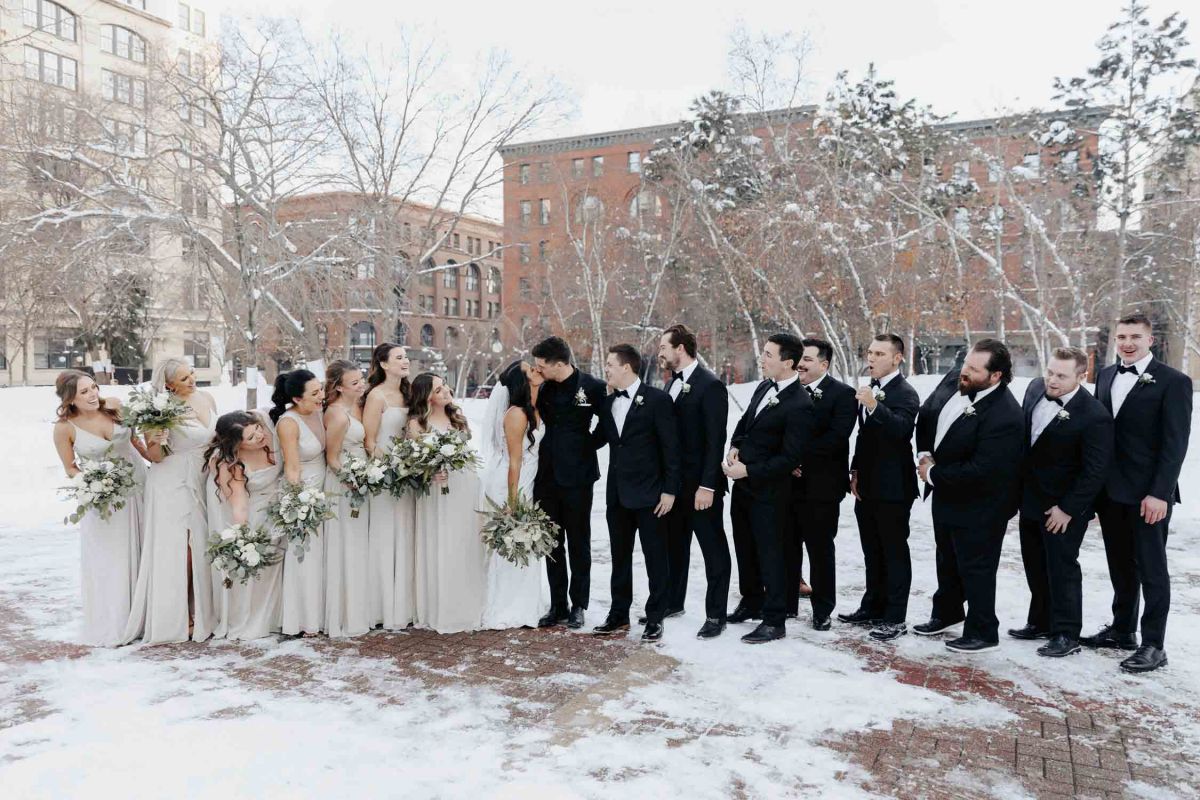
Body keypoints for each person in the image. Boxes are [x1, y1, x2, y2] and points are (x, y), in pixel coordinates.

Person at [1085, 314, 1193, 673]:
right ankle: (1121, 631)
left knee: (1152, 570)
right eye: (1121, 337)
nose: (1127, 343)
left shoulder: (1174, 382)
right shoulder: (1105, 375)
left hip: (1149, 495)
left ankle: (1154, 645)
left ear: (1150, 339)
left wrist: (1159, 493)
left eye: (1135, 336)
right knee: (1120, 565)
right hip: (1110, 493)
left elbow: (1174, 444)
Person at [914, 339, 1023, 653]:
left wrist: (932, 474)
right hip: (948, 493)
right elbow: (928, 413)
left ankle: (983, 630)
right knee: (946, 558)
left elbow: (982, 470)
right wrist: (924, 454)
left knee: (977, 567)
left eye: (974, 369)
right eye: (966, 365)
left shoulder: (1005, 415)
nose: (964, 372)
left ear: (995, 376)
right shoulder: (957, 379)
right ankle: (947, 612)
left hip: (983, 503)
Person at [1013, 348, 1113, 658]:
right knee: (1034, 563)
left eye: (1061, 376)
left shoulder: (1094, 415)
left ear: (1081, 377)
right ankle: (1040, 621)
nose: (1052, 380)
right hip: (1030, 499)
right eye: (1050, 372)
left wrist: (1068, 509)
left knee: (1062, 567)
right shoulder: (1033, 390)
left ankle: (1067, 633)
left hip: (1063, 508)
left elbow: (1095, 470)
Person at [723, 333, 814, 644]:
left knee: (771, 554)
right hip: (744, 487)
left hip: (772, 492)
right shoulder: (764, 386)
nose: (761, 358)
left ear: (788, 362)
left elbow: (790, 458)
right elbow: (745, 423)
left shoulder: (800, 403)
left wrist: (748, 469)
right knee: (744, 547)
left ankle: (775, 619)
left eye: (768, 354)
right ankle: (750, 600)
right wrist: (735, 447)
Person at [122, 357, 218, 645]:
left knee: (201, 543)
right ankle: (178, 616)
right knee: (179, 548)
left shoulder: (207, 397)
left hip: (203, 477)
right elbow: (155, 456)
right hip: (171, 480)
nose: (192, 380)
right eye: (184, 378)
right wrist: (157, 440)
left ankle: (203, 610)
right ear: (168, 385)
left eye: (192, 373)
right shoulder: (158, 409)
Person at [590, 344, 680, 642]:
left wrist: (670, 491)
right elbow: (599, 440)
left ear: (626, 367)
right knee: (620, 557)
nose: (606, 370)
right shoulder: (607, 402)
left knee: (656, 558)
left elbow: (671, 449)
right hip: (617, 495)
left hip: (652, 494)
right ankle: (618, 615)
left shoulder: (658, 400)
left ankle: (655, 617)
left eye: (610, 365)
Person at [52, 371, 147, 647]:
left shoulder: (115, 405)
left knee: (144, 548)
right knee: (111, 558)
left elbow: (137, 443)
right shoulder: (64, 427)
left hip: (139, 486)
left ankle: (146, 616)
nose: (93, 394)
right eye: (84, 392)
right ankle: (116, 620)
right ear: (70, 398)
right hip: (104, 500)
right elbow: (70, 468)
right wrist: (94, 484)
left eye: (93, 387)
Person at [839, 334, 920, 643]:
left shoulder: (905, 392)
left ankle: (895, 617)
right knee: (872, 551)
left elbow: (901, 431)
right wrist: (855, 470)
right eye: (870, 352)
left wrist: (875, 406)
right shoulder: (871, 388)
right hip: (868, 485)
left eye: (879, 353)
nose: (871, 358)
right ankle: (872, 606)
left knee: (894, 552)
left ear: (897, 358)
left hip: (894, 488)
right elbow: (864, 436)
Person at [655, 324, 731, 639]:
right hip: (674, 486)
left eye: (664, 347)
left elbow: (716, 440)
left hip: (701, 487)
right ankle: (673, 602)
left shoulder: (710, 385)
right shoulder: (671, 383)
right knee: (675, 546)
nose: (660, 353)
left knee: (713, 550)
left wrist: (708, 486)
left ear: (680, 349)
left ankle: (716, 614)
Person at [531, 336, 607, 630]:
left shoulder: (592, 386)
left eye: (542, 365)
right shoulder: (545, 387)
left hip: (578, 477)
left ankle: (579, 605)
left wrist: (587, 446)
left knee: (579, 542)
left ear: (560, 364)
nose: (538, 370)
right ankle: (558, 605)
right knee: (551, 543)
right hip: (547, 474)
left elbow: (606, 424)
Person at [408, 373, 487, 633]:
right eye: (438, 389)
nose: (446, 391)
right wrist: (429, 472)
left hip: (464, 486)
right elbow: (413, 462)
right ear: (427, 396)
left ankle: (468, 603)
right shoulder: (417, 423)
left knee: (464, 542)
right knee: (442, 542)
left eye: (445, 386)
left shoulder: (457, 418)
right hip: (436, 491)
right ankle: (443, 607)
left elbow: (467, 452)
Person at [788, 337, 856, 630]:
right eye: (799, 358)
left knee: (820, 549)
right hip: (788, 484)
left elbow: (836, 437)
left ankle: (822, 609)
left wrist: (794, 458)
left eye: (808, 359)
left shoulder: (843, 395)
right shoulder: (788, 391)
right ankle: (786, 601)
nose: (800, 363)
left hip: (822, 487)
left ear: (824, 364)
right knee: (786, 545)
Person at [478, 360, 549, 629]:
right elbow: (514, 461)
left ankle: (525, 601)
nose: (536, 370)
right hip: (514, 483)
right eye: (530, 369)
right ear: (522, 382)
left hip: (527, 479)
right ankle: (507, 605)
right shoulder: (517, 414)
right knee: (515, 539)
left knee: (526, 543)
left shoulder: (533, 407)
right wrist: (512, 501)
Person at [204, 410, 282, 641]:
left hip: (278, 507)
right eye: (250, 438)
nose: (258, 436)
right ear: (237, 445)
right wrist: (245, 537)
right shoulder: (232, 464)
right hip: (255, 513)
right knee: (261, 567)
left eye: (256, 429)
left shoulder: (267, 431)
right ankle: (254, 618)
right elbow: (239, 504)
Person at [360, 343, 415, 630]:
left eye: (406, 357)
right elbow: (369, 441)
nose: (405, 361)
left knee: (406, 534)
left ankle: (405, 604)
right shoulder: (376, 396)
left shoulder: (410, 393)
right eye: (398, 358)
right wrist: (391, 466)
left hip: (411, 474)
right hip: (385, 476)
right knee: (384, 535)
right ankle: (381, 606)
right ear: (383, 364)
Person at [272, 369, 327, 637]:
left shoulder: (318, 412)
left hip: (326, 488)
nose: (321, 396)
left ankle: (324, 611)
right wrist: (297, 505)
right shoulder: (288, 423)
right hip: (305, 490)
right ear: (296, 398)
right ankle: (304, 618)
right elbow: (292, 468)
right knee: (306, 554)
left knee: (323, 555)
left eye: (321, 389)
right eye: (315, 393)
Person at [323, 360, 373, 638]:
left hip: (360, 477)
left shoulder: (356, 407)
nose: (361, 385)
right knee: (347, 542)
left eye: (361, 379)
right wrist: (352, 480)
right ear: (339, 387)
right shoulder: (337, 414)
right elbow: (332, 457)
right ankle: (343, 612)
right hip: (344, 483)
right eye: (354, 383)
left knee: (358, 542)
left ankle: (359, 604)